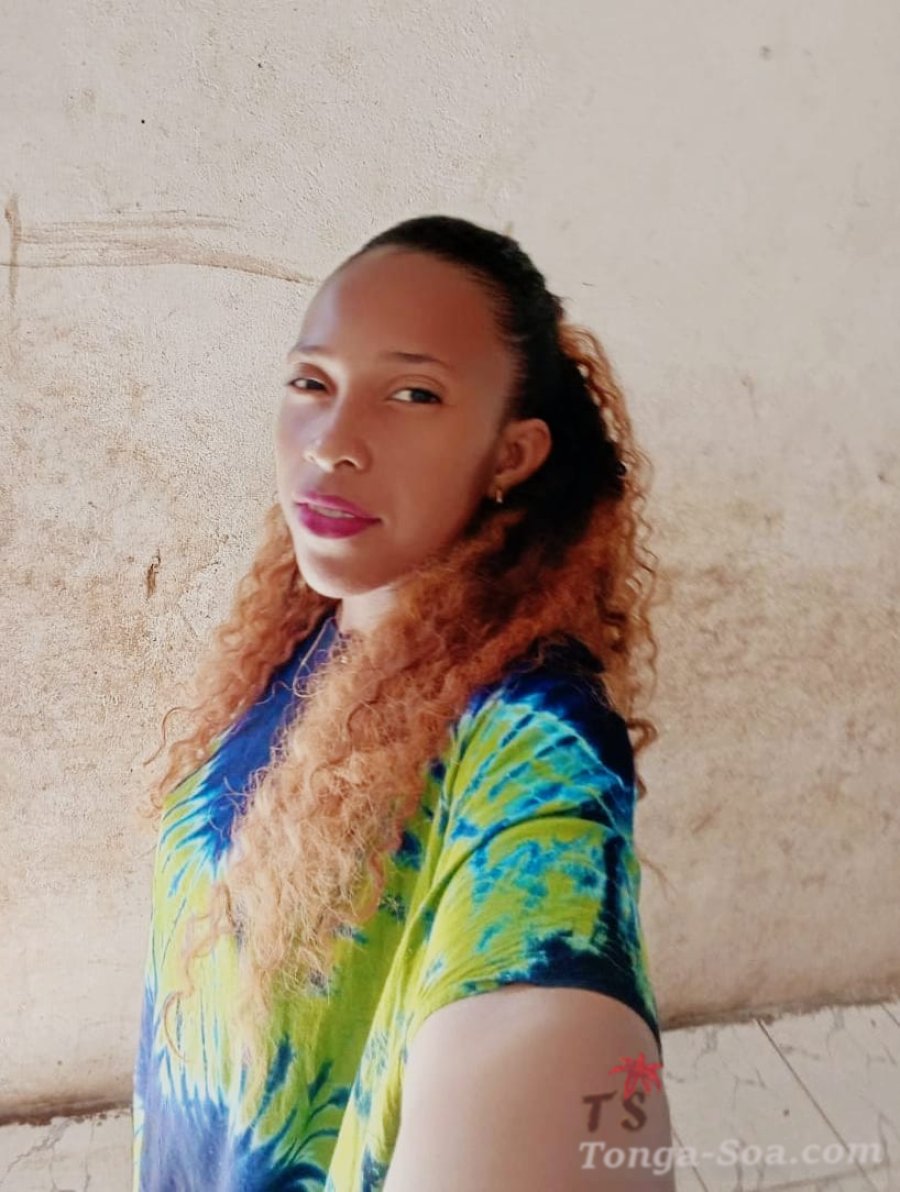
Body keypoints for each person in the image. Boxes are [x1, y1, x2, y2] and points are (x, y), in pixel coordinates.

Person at [133, 214, 675, 1190]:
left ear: (511, 455)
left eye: (414, 393)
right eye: (312, 383)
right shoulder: (311, 623)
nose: (332, 445)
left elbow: (547, 1019)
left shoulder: (536, 739)